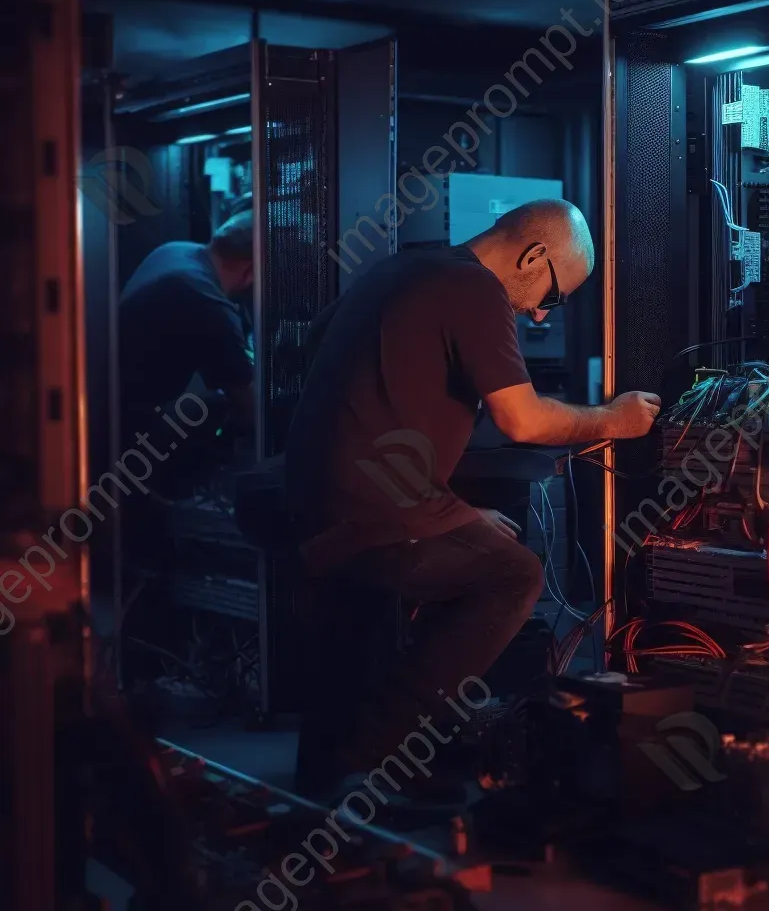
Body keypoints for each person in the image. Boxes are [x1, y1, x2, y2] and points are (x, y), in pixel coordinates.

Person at [285, 198, 661, 800]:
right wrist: (613, 420)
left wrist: (451, 513)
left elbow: (314, 340)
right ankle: (375, 756)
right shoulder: (476, 290)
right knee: (514, 575)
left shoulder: (400, 268)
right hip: (372, 511)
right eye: (553, 295)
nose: (542, 315)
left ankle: (330, 765)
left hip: (313, 501)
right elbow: (524, 420)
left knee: (448, 561)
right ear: (534, 255)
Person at [118, 209, 255, 444]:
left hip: (110, 402)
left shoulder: (175, 250)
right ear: (251, 271)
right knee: (219, 411)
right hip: (129, 431)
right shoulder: (205, 300)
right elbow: (251, 407)